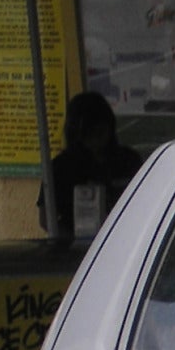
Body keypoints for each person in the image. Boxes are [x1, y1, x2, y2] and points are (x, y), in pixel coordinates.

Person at [38, 91, 143, 239]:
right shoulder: (61, 167)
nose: (96, 139)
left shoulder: (128, 160)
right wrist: (72, 241)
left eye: (100, 131)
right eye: (89, 132)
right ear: (76, 133)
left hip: (124, 240)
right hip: (76, 248)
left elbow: (144, 206)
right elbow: (46, 218)